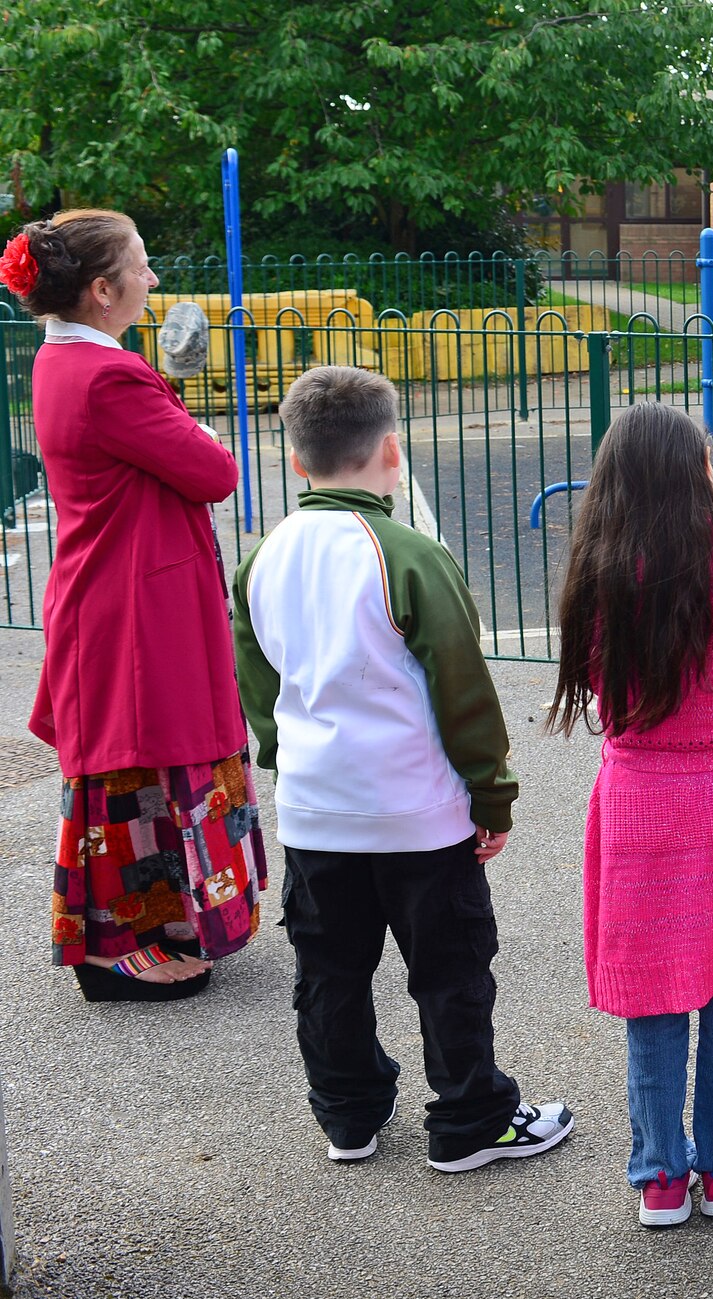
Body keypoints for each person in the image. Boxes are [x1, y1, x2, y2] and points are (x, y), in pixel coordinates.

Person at [234, 365, 573, 1171]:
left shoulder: (263, 556)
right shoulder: (408, 553)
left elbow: (259, 685)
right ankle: (470, 1117)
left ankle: (347, 1115)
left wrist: (288, 768)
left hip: (317, 809)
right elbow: (462, 686)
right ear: (392, 450)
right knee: (450, 967)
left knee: (330, 972)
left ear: (297, 460)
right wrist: (492, 793)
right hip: (416, 810)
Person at [547, 402, 713, 1226]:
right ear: (697, 475)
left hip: (638, 800)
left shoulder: (594, 580)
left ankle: (659, 1172)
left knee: (652, 993)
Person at [2, 212, 265, 1002]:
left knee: (138, 763)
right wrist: (185, 413)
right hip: (136, 604)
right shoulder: (109, 376)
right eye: (142, 267)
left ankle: (152, 920)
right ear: (103, 289)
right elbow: (215, 471)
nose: (154, 280)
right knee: (141, 759)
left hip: (117, 590)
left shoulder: (66, 361)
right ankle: (118, 947)